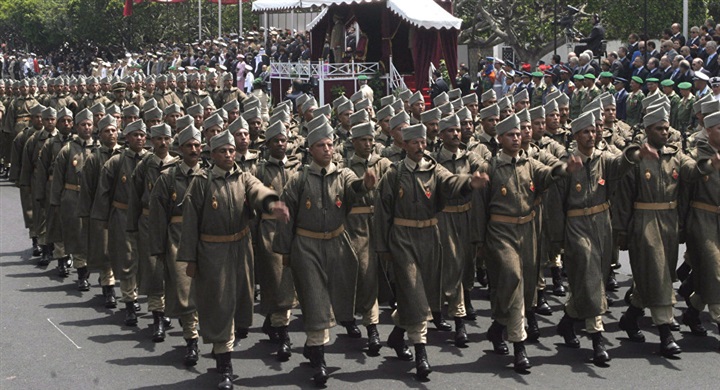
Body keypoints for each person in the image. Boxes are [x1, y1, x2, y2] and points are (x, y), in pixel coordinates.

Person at [374, 122, 487, 379]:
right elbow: (382, 213)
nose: (420, 147)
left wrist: (470, 182)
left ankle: (397, 334)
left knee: (420, 292)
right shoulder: (394, 174)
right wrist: (383, 248)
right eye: (415, 143)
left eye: (423, 142)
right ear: (405, 145)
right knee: (414, 291)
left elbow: (451, 182)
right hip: (403, 239)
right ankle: (421, 353)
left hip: (430, 236)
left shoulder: (434, 169)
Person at [178, 130, 288, 390]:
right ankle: (225, 364)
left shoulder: (244, 177)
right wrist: (190, 259)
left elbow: (258, 191)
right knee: (219, 304)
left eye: (231, 151)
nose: (228, 155)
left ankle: (222, 347)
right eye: (222, 151)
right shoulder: (201, 182)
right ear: (213, 154)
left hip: (240, 248)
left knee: (239, 302)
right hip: (212, 253)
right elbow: (190, 224)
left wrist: (272, 204)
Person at [472, 113, 582, 372]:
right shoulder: (490, 168)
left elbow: (549, 173)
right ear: (500, 139)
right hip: (501, 232)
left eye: (518, 134)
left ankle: (497, 327)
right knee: (512, 278)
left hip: (528, 231)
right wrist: (478, 241)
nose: (516, 138)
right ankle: (518, 346)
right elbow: (479, 208)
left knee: (527, 285)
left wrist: (566, 169)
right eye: (510, 134)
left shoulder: (530, 164)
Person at [272, 117, 376, 386]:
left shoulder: (343, 174)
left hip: (337, 244)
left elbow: (355, 189)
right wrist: (283, 251)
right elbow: (286, 216)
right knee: (316, 301)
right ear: (310, 150)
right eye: (321, 145)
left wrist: (365, 185)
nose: (327, 149)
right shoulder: (297, 180)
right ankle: (319, 359)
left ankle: (312, 345)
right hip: (306, 247)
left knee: (338, 297)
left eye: (330, 145)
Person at [548, 110, 641, 365]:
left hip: (602, 223)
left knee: (595, 276)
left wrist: (635, 153)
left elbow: (622, 164)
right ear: (576, 135)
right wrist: (556, 240)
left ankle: (568, 321)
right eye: (586, 132)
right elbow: (556, 205)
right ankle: (597, 337)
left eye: (594, 131)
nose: (592, 135)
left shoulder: (604, 159)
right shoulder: (567, 163)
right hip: (577, 225)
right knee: (589, 276)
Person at [615, 107, 706, 358]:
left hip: (669, 221)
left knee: (659, 273)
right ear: (647, 130)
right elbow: (624, 197)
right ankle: (665, 333)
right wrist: (621, 230)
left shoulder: (675, 155)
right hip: (644, 222)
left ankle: (631, 317)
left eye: (667, 128)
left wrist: (709, 164)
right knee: (658, 274)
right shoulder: (636, 158)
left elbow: (692, 172)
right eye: (659, 128)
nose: (665, 132)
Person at [148, 125, 203, 366]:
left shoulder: (209, 175)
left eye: (197, 145)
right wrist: (158, 248)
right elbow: (157, 217)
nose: (194, 149)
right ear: (179, 149)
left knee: (206, 291)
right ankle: (191, 340)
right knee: (185, 289)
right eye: (189, 146)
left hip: (206, 241)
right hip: (177, 239)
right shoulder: (167, 178)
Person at [252, 121, 301, 361]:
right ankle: (283, 334)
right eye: (276, 141)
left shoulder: (297, 168)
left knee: (288, 281)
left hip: (292, 230)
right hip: (269, 230)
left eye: (284, 140)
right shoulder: (260, 170)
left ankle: (274, 323)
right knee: (276, 279)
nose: (281, 144)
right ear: (268, 144)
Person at [91, 119, 148, 326]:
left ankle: (157, 305)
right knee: (126, 260)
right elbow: (103, 193)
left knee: (148, 260)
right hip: (122, 216)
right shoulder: (115, 162)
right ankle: (130, 302)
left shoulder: (151, 161)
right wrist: (103, 221)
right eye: (135, 135)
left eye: (142, 135)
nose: (140, 138)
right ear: (127, 138)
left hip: (146, 218)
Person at [127, 123, 178, 342]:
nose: (163, 143)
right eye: (158, 139)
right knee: (154, 269)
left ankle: (169, 310)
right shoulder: (145, 165)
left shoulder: (178, 165)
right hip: (148, 222)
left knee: (175, 269)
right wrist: (132, 226)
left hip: (174, 225)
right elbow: (134, 196)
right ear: (152, 140)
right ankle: (157, 316)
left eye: (166, 138)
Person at [680, 111, 720, 344]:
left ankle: (692, 312)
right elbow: (685, 192)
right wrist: (682, 225)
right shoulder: (695, 155)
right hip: (702, 219)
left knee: (708, 273)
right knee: (714, 271)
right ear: (709, 129)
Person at [50, 108, 98, 289]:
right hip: (73, 198)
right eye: (83, 125)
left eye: (89, 125)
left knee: (96, 237)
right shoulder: (67, 150)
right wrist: (56, 202)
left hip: (94, 199)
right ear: (76, 127)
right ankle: (81, 274)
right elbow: (58, 179)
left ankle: (102, 275)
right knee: (78, 236)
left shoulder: (98, 149)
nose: (86, 128)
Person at [78, 115, 120, 307]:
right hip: (102, 211)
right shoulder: (94, 159)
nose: (110, 134)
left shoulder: (125, 156)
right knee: (105, 251)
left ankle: (130, 291)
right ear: (100, 134)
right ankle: (108, 286)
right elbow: (87, 190)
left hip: (123, 211)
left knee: (127, 251)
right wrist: (87, 216)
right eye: (106, 131)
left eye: (113, 130)